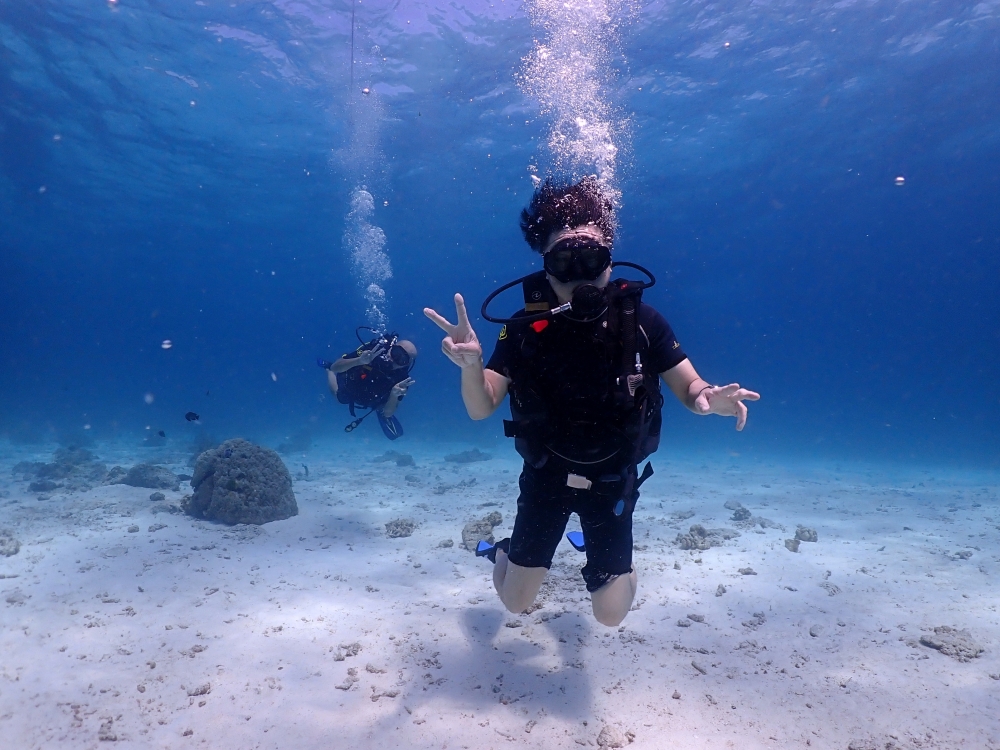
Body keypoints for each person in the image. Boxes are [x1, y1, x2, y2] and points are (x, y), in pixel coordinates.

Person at [424, 176, 759, 627]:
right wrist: (471, 366)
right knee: (515, 603)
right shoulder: (522, 327)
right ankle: (507, 550)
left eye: (591, 258)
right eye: (565, 261)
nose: (579, 274)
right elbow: (480, 406)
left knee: (610, 616)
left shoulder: (641, 321)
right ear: (545, 269)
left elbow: (691, 387)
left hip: (612, 479)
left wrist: (708, 400)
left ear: (609, 263)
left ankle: (604, 561)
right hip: (546, 475)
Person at [318, 330, 417, 440]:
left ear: (406, 364)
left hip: (375, 397)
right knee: (339, 398)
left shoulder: (402, 379)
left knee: (383, 409)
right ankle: (327, 368)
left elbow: (388, 414)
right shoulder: (372, 350)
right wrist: (359, 361)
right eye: (395, 353)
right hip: (355, 384)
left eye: (402, 360)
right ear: (391, 347)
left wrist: (394, 395)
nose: (394, 360)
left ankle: (380, 407)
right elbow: (335, 368)